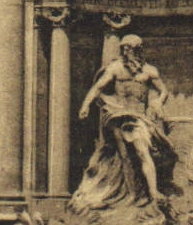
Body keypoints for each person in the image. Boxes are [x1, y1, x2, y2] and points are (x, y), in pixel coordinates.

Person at [71, 34, 177, 211]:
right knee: (125, 158)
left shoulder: (150, 70)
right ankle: (134, 194)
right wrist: (86, 105)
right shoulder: (115, 68)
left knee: (142, 151)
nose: (128, 52)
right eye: (125, 48)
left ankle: (152, 193)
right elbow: (98, 87)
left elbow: (163, 91)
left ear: (139, 50)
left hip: (139, 118)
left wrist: (158, 101)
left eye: (132, 48)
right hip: (118, 116)